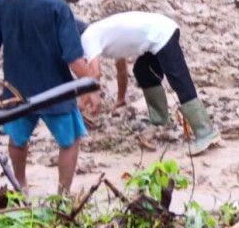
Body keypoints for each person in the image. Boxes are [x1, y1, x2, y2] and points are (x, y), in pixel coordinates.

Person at [0, 0, 99, 195]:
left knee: (18, 140)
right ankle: (62, 196)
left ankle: (20, 186)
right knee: (70, 141)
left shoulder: (4, 1)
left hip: (16, 89)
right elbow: (74, 59)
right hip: (55, 91)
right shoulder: (59, 7)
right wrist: (91, 85)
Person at [79, 11, 220, 154]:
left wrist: (81, 105)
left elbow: (94, 73)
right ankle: (160, 120)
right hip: (155, 36)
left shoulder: (88, 37)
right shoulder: (100, 35)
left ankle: (206, 132)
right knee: (143, 71)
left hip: (162, 34)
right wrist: (120, 99)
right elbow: (121, 70)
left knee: (179, 80)